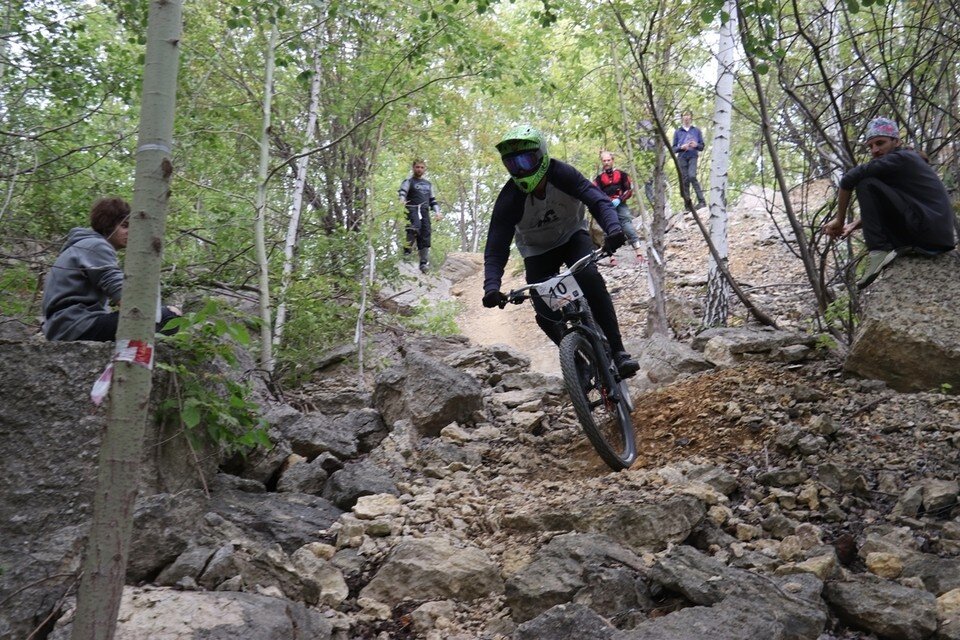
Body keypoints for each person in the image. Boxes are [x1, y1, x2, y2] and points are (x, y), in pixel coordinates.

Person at [481, 125, 640, 378]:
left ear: (541, 155)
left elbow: (598, 200)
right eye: (513, 164)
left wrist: (613, 229)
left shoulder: (562, 173)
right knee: (546, 313)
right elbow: (495, 246)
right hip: (537, 251)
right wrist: (491, 287)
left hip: (572, 236)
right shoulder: (509, 198)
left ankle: (619, 352)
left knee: (589, 279)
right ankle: (577, 362)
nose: (521, 169)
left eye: (526, 160)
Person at [823, 116, 957, 289]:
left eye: (880, 143)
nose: (875, 150)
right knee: (870, 184)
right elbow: (893, 206)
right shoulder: (904, 161)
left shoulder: (901, 158)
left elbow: (848, 179)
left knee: (866, 183)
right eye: (870, 146)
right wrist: (852, 225)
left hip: (928, 232)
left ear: (896, 141)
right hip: (934, 235)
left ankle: (878, 250)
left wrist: (839, 220)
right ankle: (882, 252)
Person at [41, 197, 181, 341]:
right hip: (76, 325)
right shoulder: (96, 246)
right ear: (107, 225)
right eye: (125, 226)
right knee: (170, 317)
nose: (130, 232)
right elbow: (124, 295)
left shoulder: (81, 246)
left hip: (64, 325)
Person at [594, 151, 645, 264]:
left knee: (627, 226)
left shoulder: (622, 175)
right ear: (602, 162)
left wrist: (620, 199)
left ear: (612, 160)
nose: (606, 163)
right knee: (608, 229)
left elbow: (629, 190)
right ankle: (611, 256)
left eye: (608, 160)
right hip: (606, 206)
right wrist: (604, 202)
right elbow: (595, 192)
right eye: (604, 160)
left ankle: (639, 252)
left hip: (620, 204)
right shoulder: (598, 179)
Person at [398, 159, 441, 273]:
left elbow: (433, 200)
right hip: (412, 208)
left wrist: (437, 212)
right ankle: (407, 253)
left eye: (422, 167)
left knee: (425, 234)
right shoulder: (409, 181)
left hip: (424, 211)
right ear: (413, 168)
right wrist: (402, 200)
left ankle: (423, 263)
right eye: (417, 167)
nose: (419, 169)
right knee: (414, 227)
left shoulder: (428, 184)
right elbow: (402, 192)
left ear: (425, 169)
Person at [671, 110, 706, 209]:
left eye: (688, 115)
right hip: (682, 157)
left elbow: (702, 146)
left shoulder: (696, 131)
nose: (686, 117)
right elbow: (673, 148)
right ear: (682, 118)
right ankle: (687, 206)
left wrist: (696, 145)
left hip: (693, 156)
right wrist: (681, 147)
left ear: (691, 117)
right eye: (684, 115)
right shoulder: (678, 132)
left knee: (692, 176)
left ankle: (702, 201)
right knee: (685, 180)